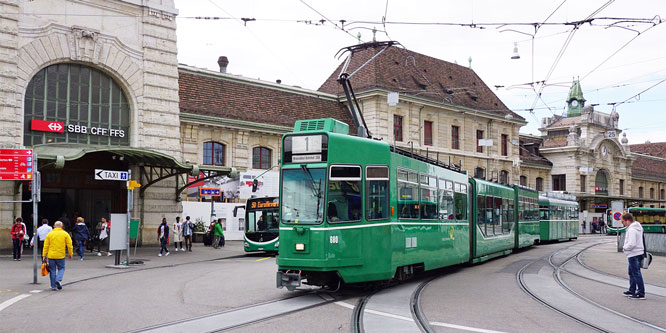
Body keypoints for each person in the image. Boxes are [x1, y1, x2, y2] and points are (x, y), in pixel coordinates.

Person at [621, 213, 646, 300]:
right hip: (637, 252)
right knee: (632, 272)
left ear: (628, 221)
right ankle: (632, 290)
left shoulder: (632, 230)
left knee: (636, 273)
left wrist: (624, 247)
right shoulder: (638, 228)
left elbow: (631, 243)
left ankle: (640, 292)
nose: (622, 223)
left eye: (623, 221)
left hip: (633, 253)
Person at [43, 221, 73, 291]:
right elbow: (69, 245)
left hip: (51, 255)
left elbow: (46, 245)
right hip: (60, 255)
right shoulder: (65, 234)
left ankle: (53, 286)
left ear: (54, 226)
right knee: (61, 268)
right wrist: (70, 253)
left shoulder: (50, 234)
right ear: (62, 226)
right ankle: (58, 279)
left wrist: (44, 255)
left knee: (52, 270)